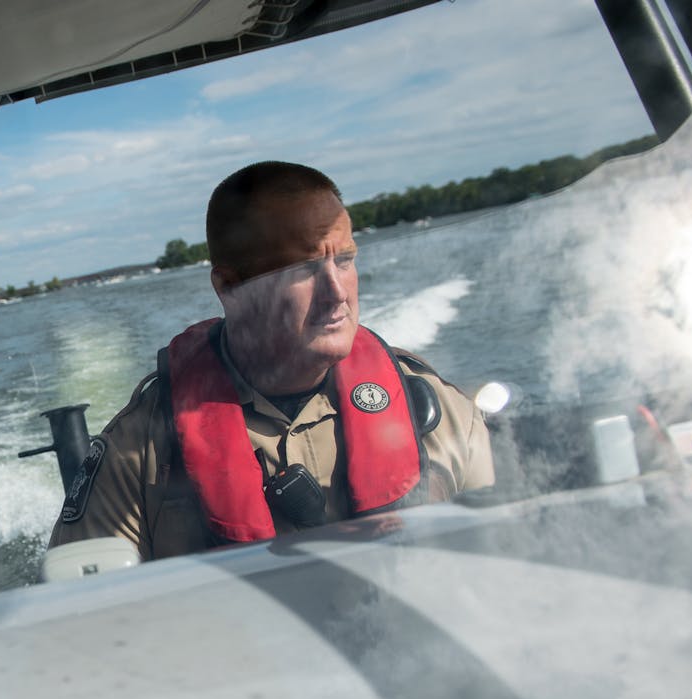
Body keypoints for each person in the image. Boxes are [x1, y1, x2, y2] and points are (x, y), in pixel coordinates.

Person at [49, 162, 494, 560]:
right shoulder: (140, 453)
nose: (337, 293)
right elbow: (86, 619)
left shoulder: (438, 414)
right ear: (229, 287)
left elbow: (504, 566)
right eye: (301, 269)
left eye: (345, 260)